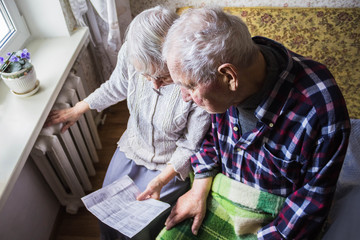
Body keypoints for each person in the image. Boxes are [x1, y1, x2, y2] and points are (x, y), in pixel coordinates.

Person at [159, 7, 351, 240]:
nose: (185, 97)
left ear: (229, 77)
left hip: (274, 225)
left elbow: (309, 206)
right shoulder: (219, 85)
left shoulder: (320, 109)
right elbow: (208, 139)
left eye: (189, 86)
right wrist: (198, 188)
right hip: (220, 195)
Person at [45, 6, 211, 240]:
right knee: (108, 211)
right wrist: (79, 108)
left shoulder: (195, 84)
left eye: (163, 77)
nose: (154, 85)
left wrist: (162, 179)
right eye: (146, 76)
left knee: (140, 227)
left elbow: (189, 146)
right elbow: (117, 86)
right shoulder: (131, 53)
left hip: (170, 163)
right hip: (133, 147)